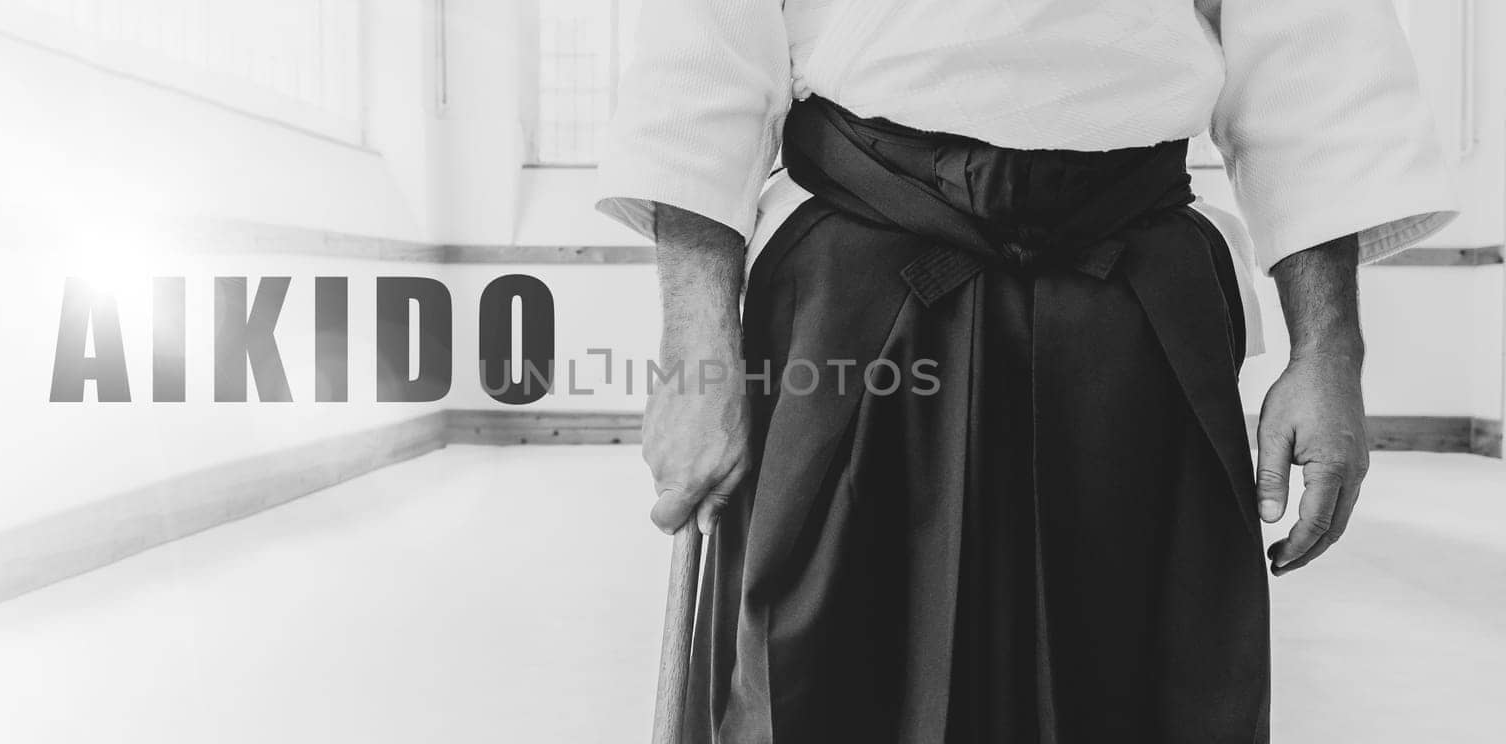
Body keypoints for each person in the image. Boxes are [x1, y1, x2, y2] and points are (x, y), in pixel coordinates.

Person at [594, 1, 1458, 741]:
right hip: (853, 284)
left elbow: (1312, 52)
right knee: (826, 674)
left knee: (1147, 682)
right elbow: (704, 49)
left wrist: (1330, 348)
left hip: (1133, 286)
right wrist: (696, 361)